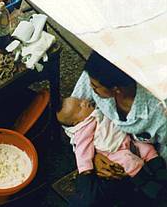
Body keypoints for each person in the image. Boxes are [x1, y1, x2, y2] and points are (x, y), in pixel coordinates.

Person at [69, 51, 167, 205]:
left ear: (116, 89)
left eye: (95, 88)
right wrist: (95, 156)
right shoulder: (94, 75)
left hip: (146, 166)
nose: (91, 88)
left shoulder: (159, 111)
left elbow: (163, 152)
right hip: (106, 155)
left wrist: (146, 166)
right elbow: (72, 121)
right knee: (86, 201)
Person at [57, 97, 167, 201]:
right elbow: (82, 150)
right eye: (80, 108)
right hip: (113, 151)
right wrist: (86, 169)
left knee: (146, 148)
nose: (84, 103)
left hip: (127, 139)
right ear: (76, 122)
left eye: (80, 101)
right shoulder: (84, 129)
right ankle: (147, 184)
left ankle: (159, 169)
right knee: (129, 162)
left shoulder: (98, 108)